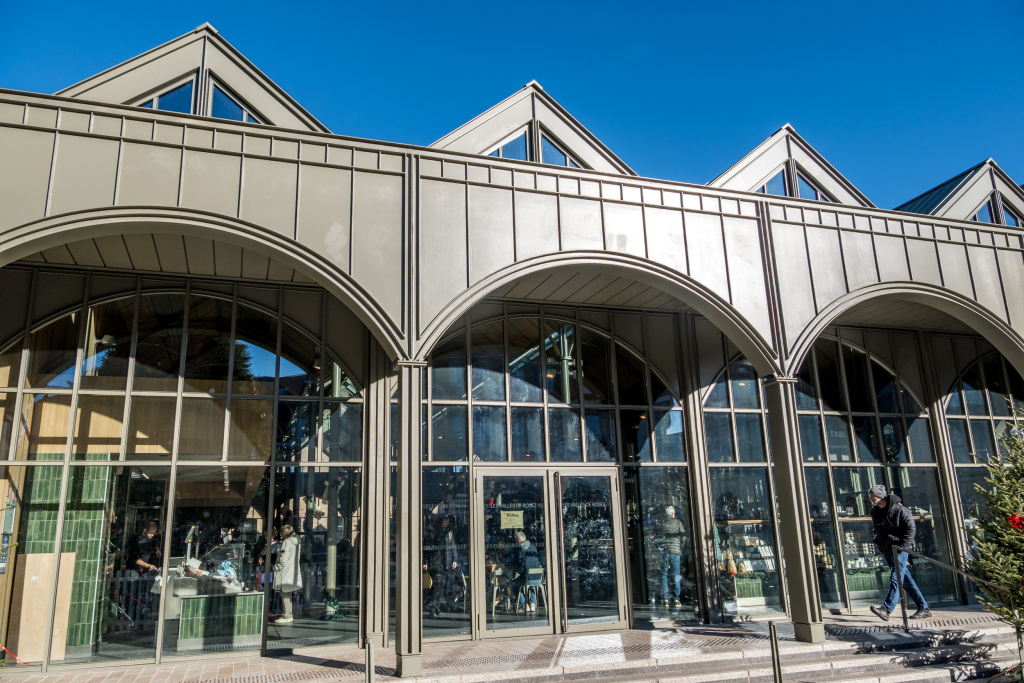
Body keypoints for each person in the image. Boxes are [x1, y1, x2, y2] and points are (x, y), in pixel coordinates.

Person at [868, 485, 932, 621]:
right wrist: (878, 541)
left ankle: (886, 609)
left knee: (896, 577)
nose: (870, 498)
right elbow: (876, 529)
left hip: (900, 550)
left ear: (878, 496)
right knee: (906, 580)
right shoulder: (875, 511)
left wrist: (903, 547)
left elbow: (910, 530)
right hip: (886, 549)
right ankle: (923, 608)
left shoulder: (900, 510)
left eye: (871, 496)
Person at [423, 515, 459, 617]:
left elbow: (453, 546)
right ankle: (432, 605)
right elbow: (427, 548)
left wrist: (454, 560)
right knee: (438, 583)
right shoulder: (433, 531)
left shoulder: (448, 532)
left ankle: (435, 607)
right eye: (446, 520)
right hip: (435, 561)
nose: (447, 522)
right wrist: (425, 562)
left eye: (448, 520)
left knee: (441, 584)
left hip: (444, 562)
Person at [273, 524, 302, 624]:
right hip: (291, 571)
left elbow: (283, 560)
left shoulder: (286, 543)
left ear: (284, 533)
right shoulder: (296, 541)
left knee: (284, 594)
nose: (281, 536)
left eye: (281, 534)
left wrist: (276, 567)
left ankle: (287, 615)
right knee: (287, 593)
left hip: (284, 572)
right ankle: (288, 614)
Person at [660, 506, 685, 609]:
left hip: (665, 552)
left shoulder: (662, 523)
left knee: (664, 574)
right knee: (676, 575)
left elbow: (658, 538)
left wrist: (660, 549)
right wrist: (680, 547)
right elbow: (683, 537)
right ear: (673, 514)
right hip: (675, 552)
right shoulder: (678, 523)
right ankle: (676, 598)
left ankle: (665, 598)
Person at [513, 531, 543, 612]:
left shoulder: (520, 549)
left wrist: (517, 571)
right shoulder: (534, 548)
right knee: (534, 584)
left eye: (516, 540)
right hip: (538, 577)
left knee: (514, 585)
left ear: (518, 540)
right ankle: (532, 604)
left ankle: (524, 604)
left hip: (527, 578)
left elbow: (520, 566)